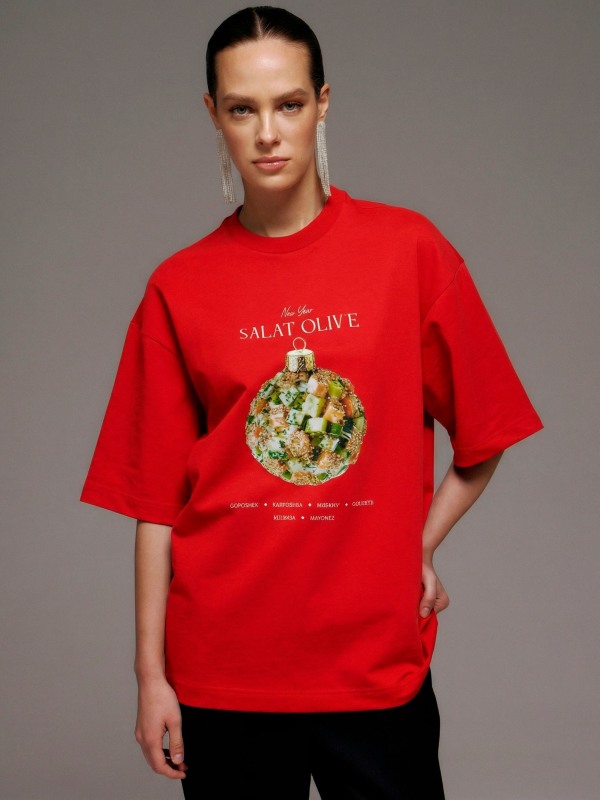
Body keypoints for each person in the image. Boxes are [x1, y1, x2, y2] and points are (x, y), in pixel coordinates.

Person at [80, 6, 543, 799]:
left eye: (288, 104)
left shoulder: (409, 252)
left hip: (372, 666)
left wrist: (416, 544)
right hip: (224, 670)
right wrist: (151, 677)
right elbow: (155, 506)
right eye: (242, 109)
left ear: (323, 103)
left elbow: (487, 429)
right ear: (213, 114)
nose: (268, 133)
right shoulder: (179, 287)